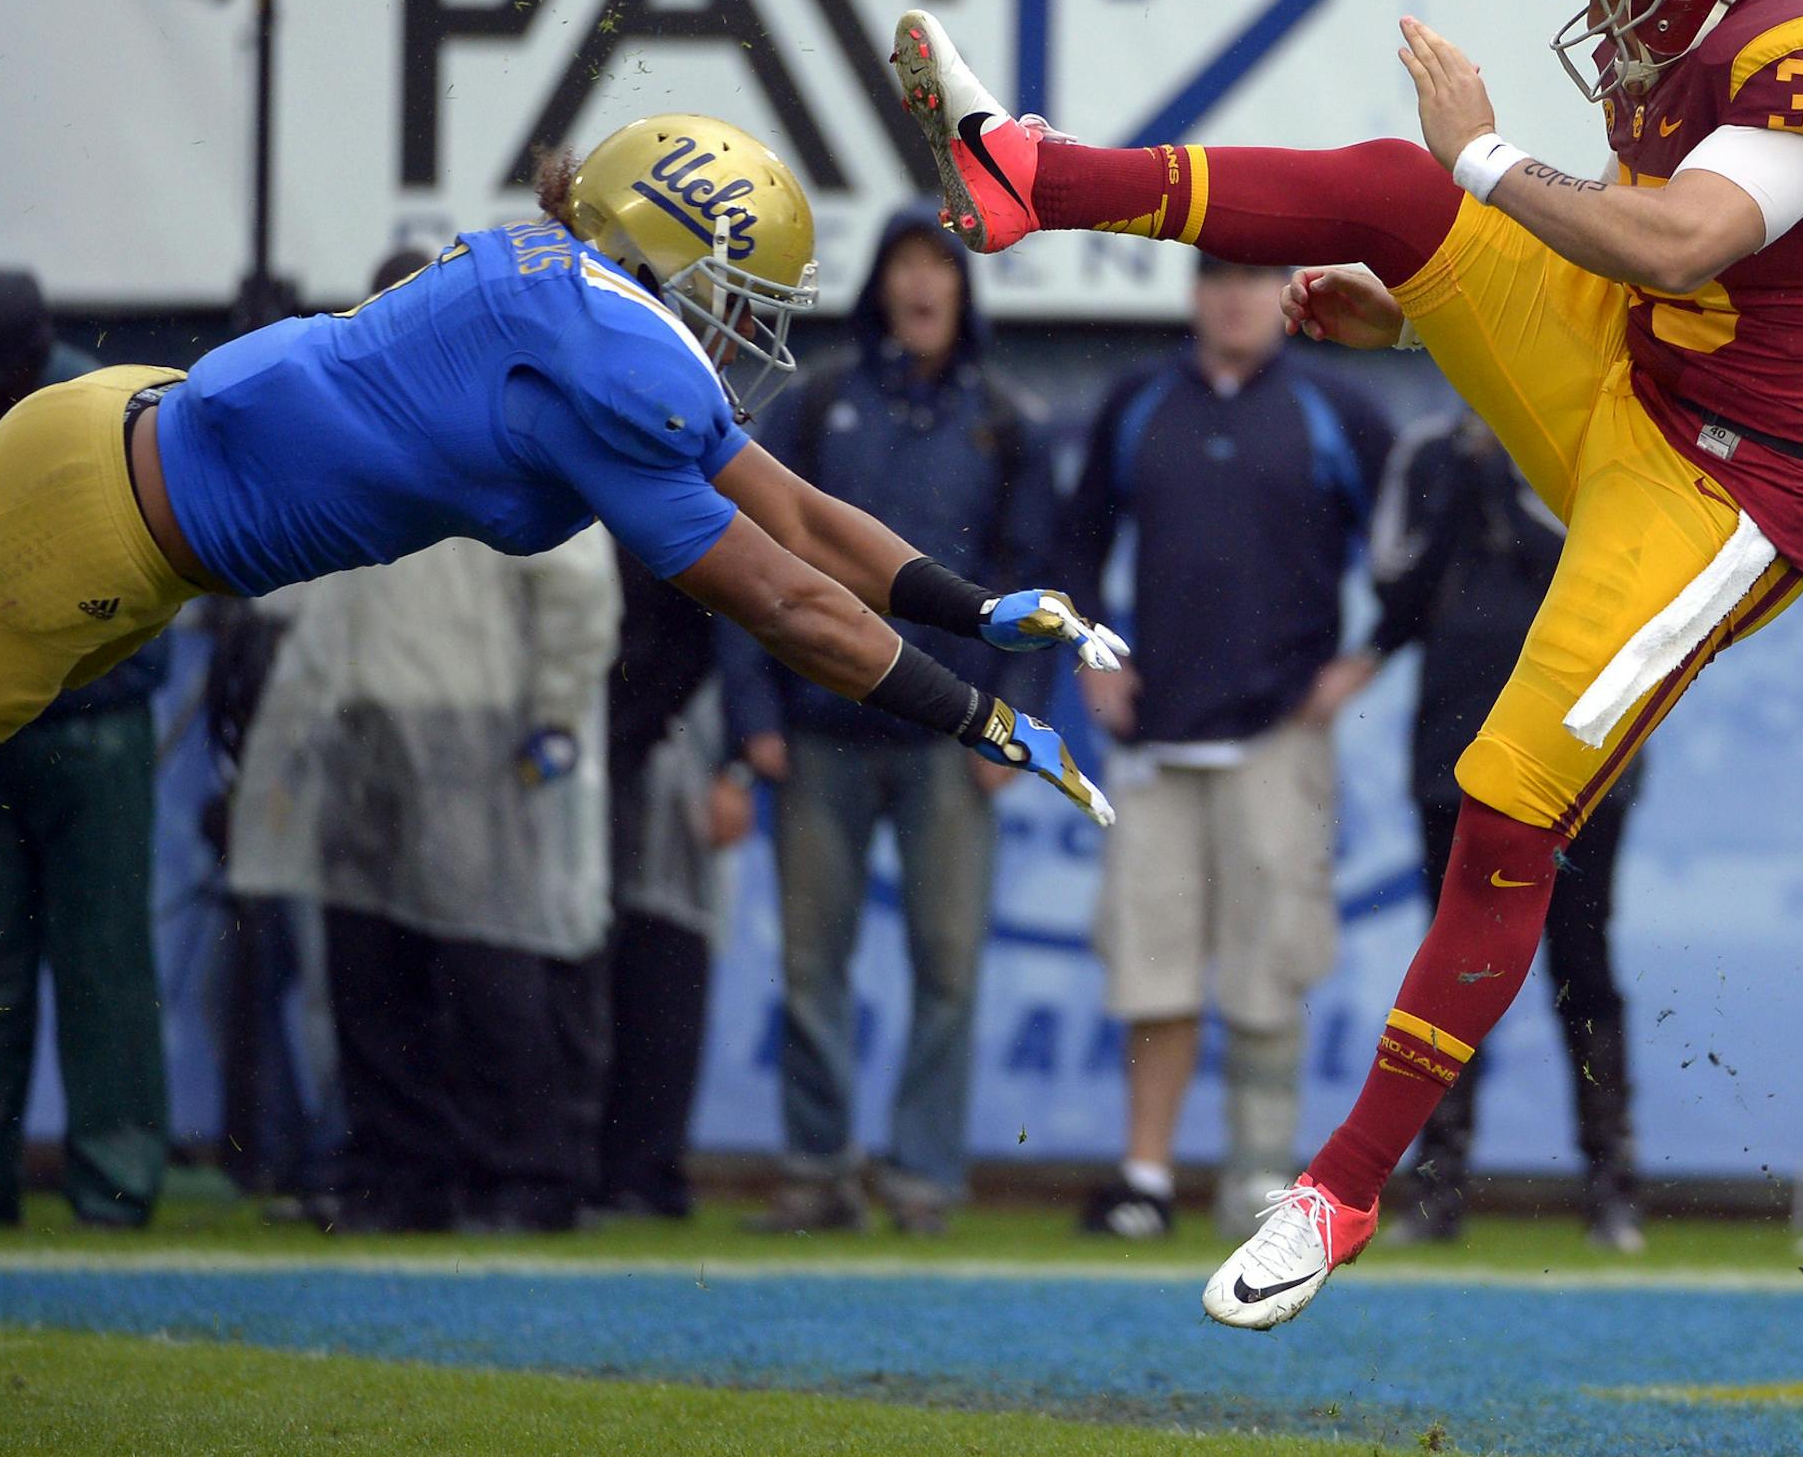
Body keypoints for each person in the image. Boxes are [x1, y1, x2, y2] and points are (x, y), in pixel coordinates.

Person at [892, 0, 1803, 1328]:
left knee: (1506, 797)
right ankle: (1035, 175)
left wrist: (1493, 158)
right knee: (1395, 194)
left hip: (1731, 494)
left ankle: (1345, 1186)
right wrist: (1434, 304)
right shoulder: (1706, 52)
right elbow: (1625, 265)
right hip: (1632, 379)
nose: (1603, 29)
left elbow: (1677, 244)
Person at [0, 114, 1126, 837]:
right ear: (673, 264)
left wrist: (971, 609)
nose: (745, 333)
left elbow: (800, 517)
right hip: (83, 523)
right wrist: (979, 711)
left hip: (123, 478)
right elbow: (785, 600)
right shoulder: (605, 374)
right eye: (736, 298)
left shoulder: (577, 300)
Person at [724, 203, 1056, 1236]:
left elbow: (1040, 586)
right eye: (905, 266)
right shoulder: (818, 404)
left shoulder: (1005, 421)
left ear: (964, 288)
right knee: (814, 963)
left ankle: (921, 1181)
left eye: (940, 268)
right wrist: (751, 713)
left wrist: (1021, 721)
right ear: (880, 287)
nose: (922, 285)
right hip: (819, 726)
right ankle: (820, 1171)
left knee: (947, 966)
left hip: (954, 735)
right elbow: (743, 553)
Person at [1063, 254, 1390, 1242]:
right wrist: (1090, 653)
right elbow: (1074, 545)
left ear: (1285, 296)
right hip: (1157, 736)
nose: (1234, 296)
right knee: (1152, 967)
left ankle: (1258, 1175)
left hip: (1277, 732)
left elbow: (1413, 553)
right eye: (1216, 277)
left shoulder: (1337, 411)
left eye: (1253, 278)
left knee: (1268, 963)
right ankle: (1147, 1177)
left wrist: (1362, 662)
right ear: (1194, 293)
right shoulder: (1138, 402)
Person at [229, 525, 621, 1233]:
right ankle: (397, 1176)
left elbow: (577, 582)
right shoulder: (358, 417)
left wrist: (557, 710)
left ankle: (525, 1175)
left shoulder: (514, 423)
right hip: (354, 716)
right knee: (366, 958)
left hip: (472, 719)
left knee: (490, 955)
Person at [0, 269, 170, 1227]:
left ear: (35, 355)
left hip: (94, 724)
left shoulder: (100, 409)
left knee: (102, 962)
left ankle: (114, 1186)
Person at [1358, 411, 1646, 1250]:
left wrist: (1514, 478)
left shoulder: (1600, 435)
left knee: (1581, 965)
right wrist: (1463, 484)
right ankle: (1437, 1192)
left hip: (1583, 754)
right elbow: (1392, 592)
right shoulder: (1427, 449)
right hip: (1457, 753)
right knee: (1454, 967)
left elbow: (1611, 582)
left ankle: (1612, 1190)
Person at [592, 547, 749, 1224]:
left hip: (682, 744)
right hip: (591, 738)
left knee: (669, 953)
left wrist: (735, 766)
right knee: (583, 956)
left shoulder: (707, 480)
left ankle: (646, 1170)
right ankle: (584, 1162)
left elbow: (744, 625)